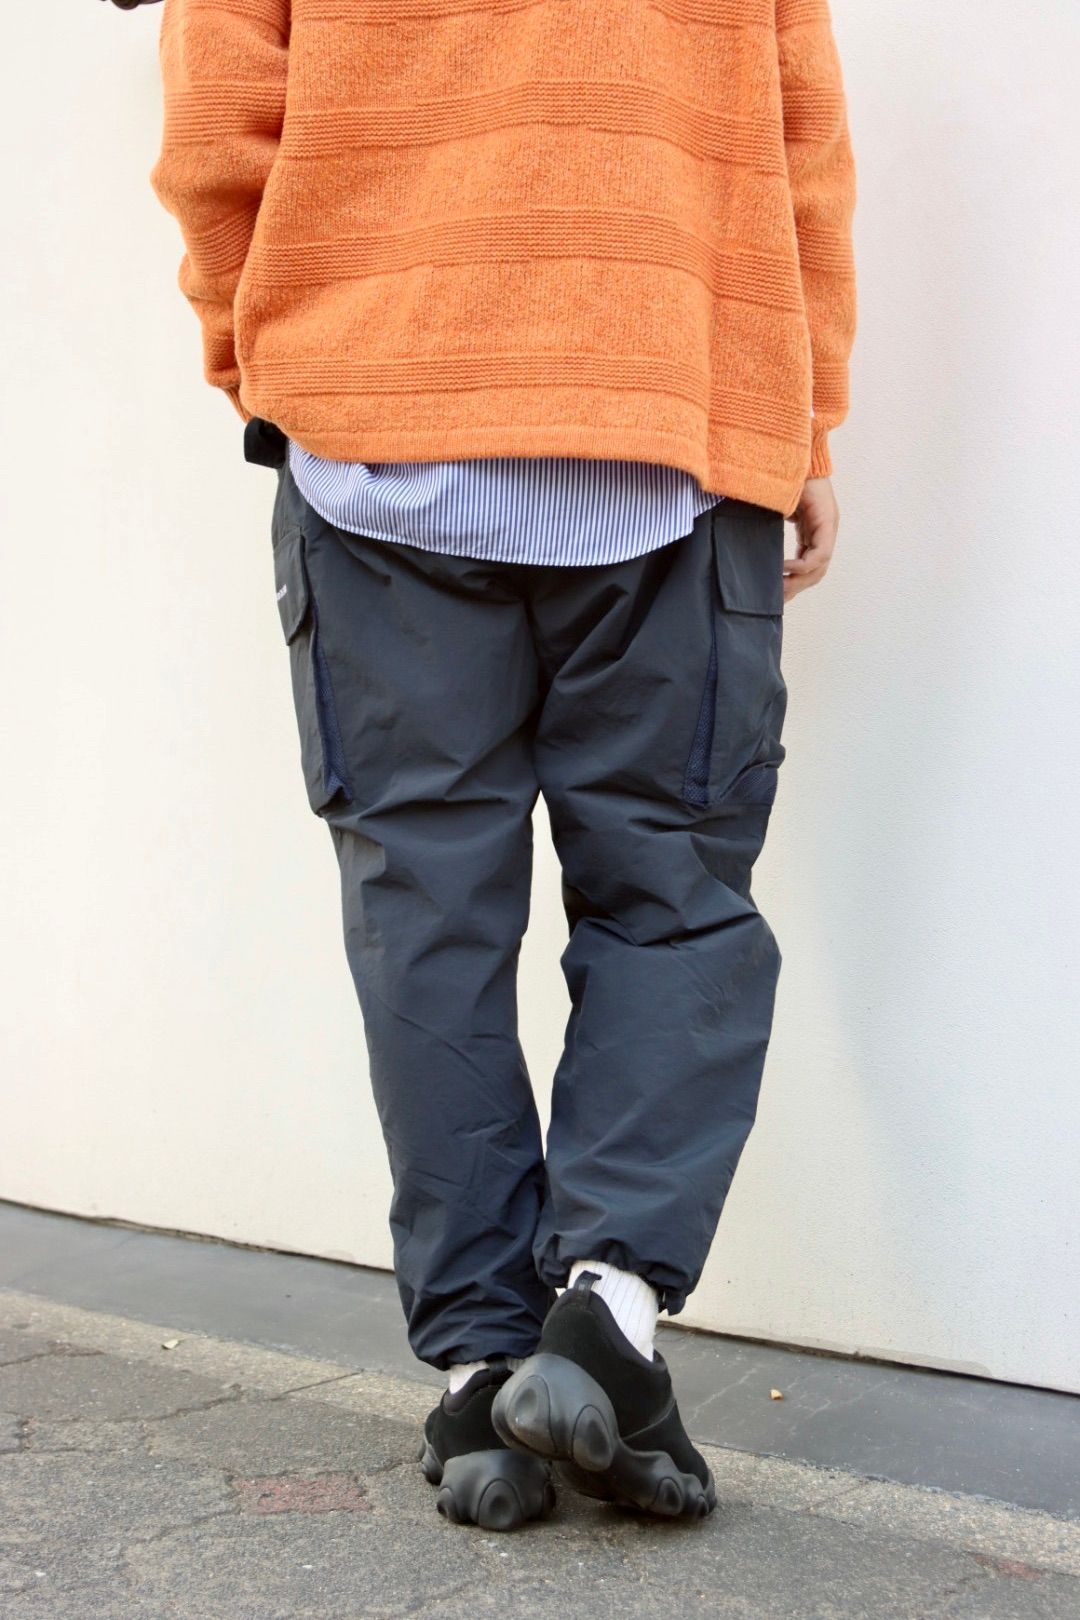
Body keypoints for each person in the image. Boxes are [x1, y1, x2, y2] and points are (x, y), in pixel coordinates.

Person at [150, 0, 856, 1533]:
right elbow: (799, 131)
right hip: (662, 428)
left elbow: (218, 124)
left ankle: (483, 1371)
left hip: (377, 442)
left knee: (428, 911)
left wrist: (271, 361)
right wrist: (801, 421)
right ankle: (605, 1314)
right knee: (670, 892)